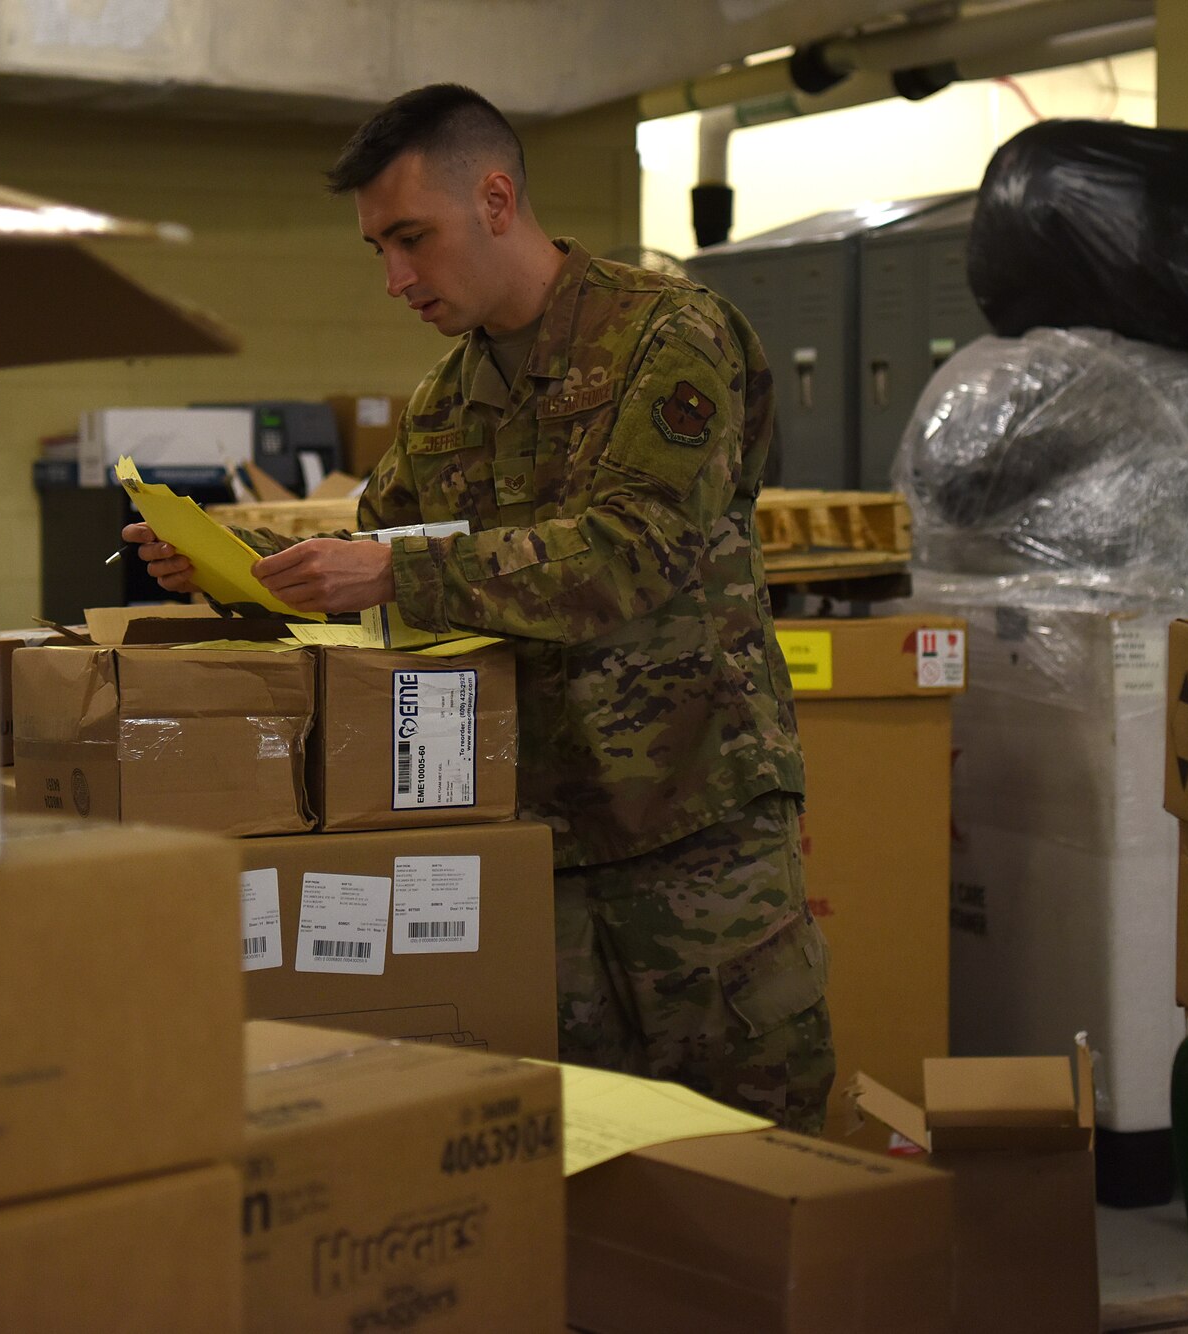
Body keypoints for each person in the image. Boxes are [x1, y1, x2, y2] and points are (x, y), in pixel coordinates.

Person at [126, 84, 833, 1132]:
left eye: (412, 238)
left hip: (692, 824)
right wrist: (240, 561)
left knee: (753, 1136)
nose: (394, 277)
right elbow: (384, 547)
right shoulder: (447, 401)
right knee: (583, 1144)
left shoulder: (667, 336)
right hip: (532, 835)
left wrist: (387, 573)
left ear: (496, 198)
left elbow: (631, 552)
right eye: (377, 248)